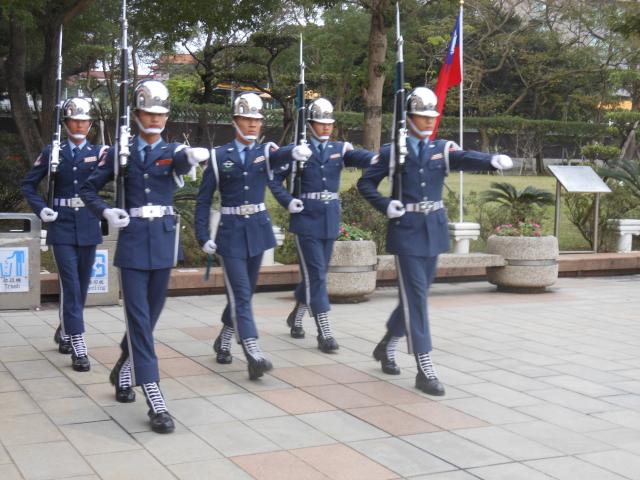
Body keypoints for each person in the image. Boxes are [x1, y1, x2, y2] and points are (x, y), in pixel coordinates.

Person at [357, 87, 513, 396]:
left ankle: (387, 344)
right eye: (422, 116)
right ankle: (424, 366)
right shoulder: (393, 151)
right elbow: (365, 182)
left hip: (433, 231)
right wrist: (385, 205)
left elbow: (464, 158)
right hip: (406, 232)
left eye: (432, 117)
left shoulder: (441, 148)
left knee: (415, 297)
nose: (429, 122)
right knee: (416, 298)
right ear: (409, 117)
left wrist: (491, 160)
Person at [80, 80, 208, 433]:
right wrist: (105, 212)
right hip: (134, 244)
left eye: (161, 114)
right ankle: (154, 397)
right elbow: (88, 188)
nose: (155, 119)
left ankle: (124, 368)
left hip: (164, 243)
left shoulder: (171, 150)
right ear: (136, 115)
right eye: (149, 113)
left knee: (148, 320)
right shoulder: (121, 153)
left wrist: (193, 156)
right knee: (139, 322)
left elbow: (181, 161)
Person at [194, 92, 304, 380]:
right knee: (241, 293)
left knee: (243, 294)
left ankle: (224, 338)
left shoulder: (265, 152)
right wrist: (202, 235)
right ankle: (253, 352)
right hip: (229, 234)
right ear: (235, 121)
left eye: (257, 119)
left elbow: (280, 154)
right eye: (247, 119)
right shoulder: (219, 157)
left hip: (257, 230)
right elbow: (204, 199)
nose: (253, 124)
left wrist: (294, 150)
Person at [268, 97, 374, 352]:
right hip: (305, 220)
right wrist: (288, 201)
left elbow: (362, 157)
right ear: (311, 124)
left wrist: (384, 158)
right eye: (320, 123)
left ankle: (296, 315)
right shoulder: (298, 150)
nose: (326, 128)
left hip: (329, 220)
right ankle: (324, 332)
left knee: (316, 274)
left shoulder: (339, 148)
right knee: (316, 275)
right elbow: (273, 178)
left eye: (329, 123)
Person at [21, 97, 106, 372]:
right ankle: (79, 345)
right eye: (74, 120)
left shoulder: (99, 152)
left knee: (81, 287)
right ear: (66, 123)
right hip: (62, 225)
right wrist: (42, 209)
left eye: (84, 120)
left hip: (89, 225)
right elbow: (28, 186)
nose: (79, 124)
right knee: (70, 285)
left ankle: (66, 328)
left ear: (90, 124)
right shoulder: (52, 152)